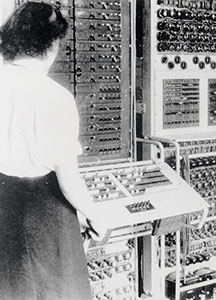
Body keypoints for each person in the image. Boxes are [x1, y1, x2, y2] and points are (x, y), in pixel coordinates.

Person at [0, 3, 110, 299]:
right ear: (50, 45)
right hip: (47, 215)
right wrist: (95, 215)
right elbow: (69, 180)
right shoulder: (55, 97)